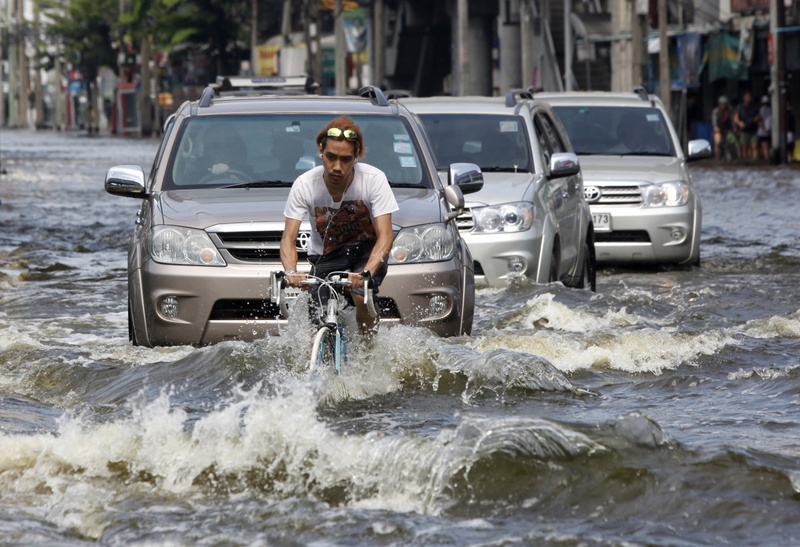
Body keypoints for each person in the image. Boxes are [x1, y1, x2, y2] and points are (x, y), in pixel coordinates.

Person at [280, 116, 399, 335]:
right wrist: (291, 271)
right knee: (317, 321)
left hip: (365, 251)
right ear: (320, 151)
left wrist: (365, 273)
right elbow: (288, 238)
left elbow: (385, 237)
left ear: (356, 157)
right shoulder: (305, 185)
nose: (337, 167)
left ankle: (368, 349)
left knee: (361, 296)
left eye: (346, 159)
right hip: (326, 256)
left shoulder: (374, 180)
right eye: (331, 157)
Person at [734, 91, 760, 160]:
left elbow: (758, 117)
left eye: (749, 97)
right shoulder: (740, 107)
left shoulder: (754, 106)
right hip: (744, 129)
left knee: (754, 146)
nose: (748, 98)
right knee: (745, 147)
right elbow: (736, 118)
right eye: (747, 97)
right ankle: (745, 161)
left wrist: (751, 122)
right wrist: (740, 123)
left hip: (753, 129)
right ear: (744, 98)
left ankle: (755, 160)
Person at [711, 95, 734, 161]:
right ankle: (717, 158)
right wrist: (716, 128)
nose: (724, 106)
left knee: (730, 143)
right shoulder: (716, 111)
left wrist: (734, 128)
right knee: (717, 143)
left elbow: (732, 120)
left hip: (727, 129)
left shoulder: (730, 110)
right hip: (718, 129)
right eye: (723, 104)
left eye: (725, 104)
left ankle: (731, 157)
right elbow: (714, 121)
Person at [757, 95, 772, 162]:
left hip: (763, 131)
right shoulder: (771, 110)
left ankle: (767, 159)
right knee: (768, 146)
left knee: (765, 146)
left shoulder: (760, 110)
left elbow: (758, 121)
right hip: (769, 131)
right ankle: (768, 158)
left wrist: (765, 128)